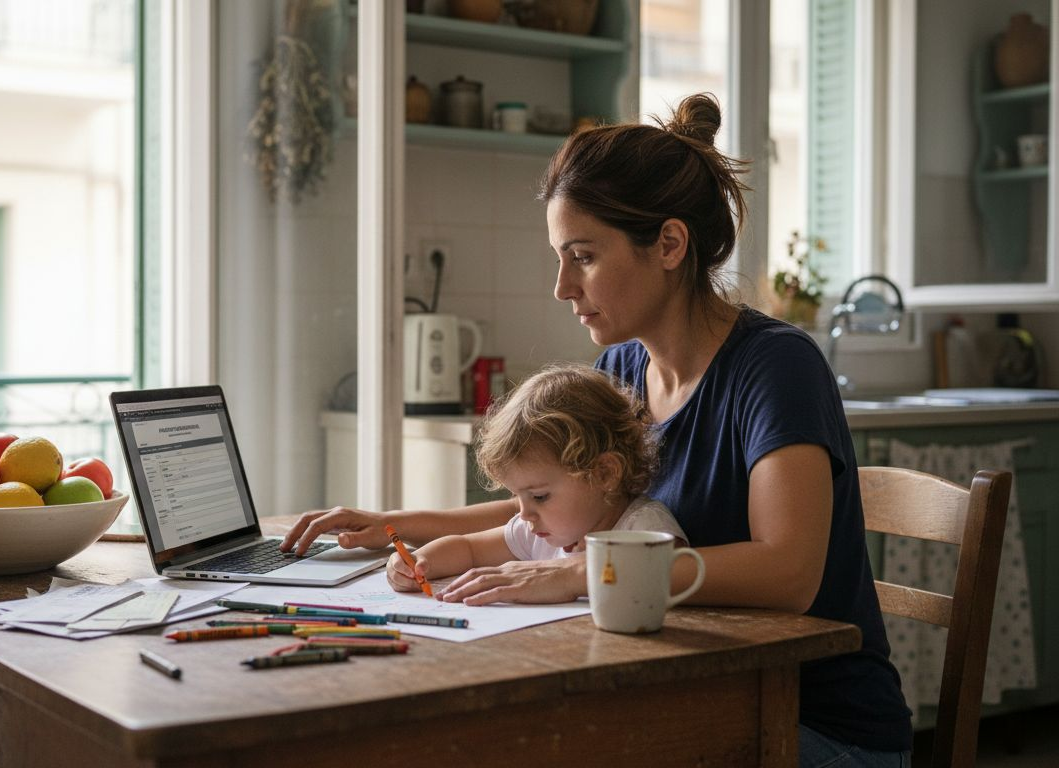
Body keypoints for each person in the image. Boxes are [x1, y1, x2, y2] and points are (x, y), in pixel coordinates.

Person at [282, 93, 912, 763]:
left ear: (669, 244)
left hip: (810, 724)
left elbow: (788, 572)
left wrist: (581, 576)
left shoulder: (775, 367)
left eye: (582, 256)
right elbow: (552, 504)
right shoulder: (621, 368)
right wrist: (394, 525)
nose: (561, 286)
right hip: (692, 695)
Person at [386, 363, 686, 597]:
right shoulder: (539, 530)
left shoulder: (645, 529)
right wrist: (419, 562)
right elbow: (469, 549)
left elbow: (668, 577)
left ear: (604, 473)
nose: (523, 513)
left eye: (539, 496)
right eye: (518, 496)